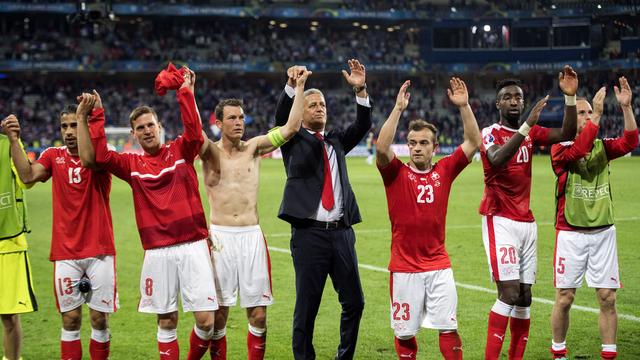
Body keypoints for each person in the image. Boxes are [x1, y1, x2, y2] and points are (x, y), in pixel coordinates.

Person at [78, 68, 218, 360]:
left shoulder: (181, 149)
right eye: (140, 128)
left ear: (159, 125)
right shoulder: (130, 165)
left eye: (150, 125)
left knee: (206, 321)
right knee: (166, 321)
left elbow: (194, 131)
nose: (147, 131)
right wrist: (97, 115)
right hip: (157, 252)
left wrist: (185, 94)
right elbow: (101, 157)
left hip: (193, 245)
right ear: (133, 134)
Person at [202, 68, 310, 359]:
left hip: (251, 236)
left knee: (259, 316)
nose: (239, 123)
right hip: (220, 238)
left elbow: (290, 129)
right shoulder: (209, 152)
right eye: (233, 118)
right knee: (219, 314)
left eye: (241, 117)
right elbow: (191, 132)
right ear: (219, 122)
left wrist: (298, 87)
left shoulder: (254, 147)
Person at [4, 98, 117, 360]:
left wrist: (84, 119)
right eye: (64, 126)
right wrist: (13, 141)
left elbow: (90, 161)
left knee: (99, 319)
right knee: (70, 319)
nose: (68, 132)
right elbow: (28, 177)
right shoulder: (54, 157)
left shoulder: (102, 152)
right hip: (66, 251)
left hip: (100, 249)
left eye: (74, 125)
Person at [376, 78, 481, 360]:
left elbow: (473, 141)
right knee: (405, 333)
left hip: (438, 265)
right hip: (404, 267)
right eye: (412, 143)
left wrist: (464, 106)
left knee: (448, 326)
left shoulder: (445, 170)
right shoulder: (395, 173)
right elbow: (382, 147)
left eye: (424, 143)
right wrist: (398, 109)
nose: (417, 147)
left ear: (435, 148)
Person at [273, 59, 372, 360]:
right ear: (300, 112)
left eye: (322, 104)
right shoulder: (292, 139)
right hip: (308, 235)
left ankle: (345, 357)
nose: (319, 108)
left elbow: (363, 124)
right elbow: (280, 118)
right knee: (307, 308)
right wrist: (293, 87)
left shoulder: (337, 141)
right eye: (312, 104)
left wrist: (361, 90)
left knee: (355, 302)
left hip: (342, 234)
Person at [480, 65, 578, 360]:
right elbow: (496, 159)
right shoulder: (491, 133)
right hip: (500, 219)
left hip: (527, 222)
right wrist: (525, 128)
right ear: (497, 103)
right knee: (508, 294)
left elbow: (569, 132)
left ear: (523, 103)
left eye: (518, 97)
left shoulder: (532, 132)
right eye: (507, 97)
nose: (513, 101)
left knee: (524, 298)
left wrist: (570, 99)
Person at [549, 77, 638, 360]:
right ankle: (559, 352)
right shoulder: (559, 149)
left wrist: (626, 108)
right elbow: (579, 150)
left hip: (603, 233)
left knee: (607, 298)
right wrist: (598, 116)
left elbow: (631, 141)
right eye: (582, 113)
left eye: (590, 112)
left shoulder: (603, 146)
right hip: (571, 233)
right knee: (565, 299)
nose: (587, 116)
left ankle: (609, 354)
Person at [0, 116, 37, 360]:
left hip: (7, 244)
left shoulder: (6, 143)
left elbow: (26, 180)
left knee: (9, 317)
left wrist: (14, 141)